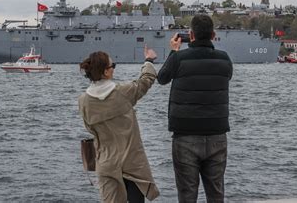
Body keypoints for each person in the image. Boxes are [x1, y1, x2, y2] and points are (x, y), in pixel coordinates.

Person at [157, 14, 233, 202]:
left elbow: (162, 78)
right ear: (213, 35)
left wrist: (174, 51)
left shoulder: (179, 58)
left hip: (185, 136)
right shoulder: (225, 60)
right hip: (217, 135)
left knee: (187, 194)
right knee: (216, 193)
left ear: (190, 35)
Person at [78, 46, 160, 203]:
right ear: (106, 72)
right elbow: (146, 80)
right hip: (132, 161)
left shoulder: (83, 101)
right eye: (112, 66)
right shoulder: (123, 92)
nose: (113, 69)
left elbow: (89, 128)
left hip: (106, 162)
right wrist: (148, 60)